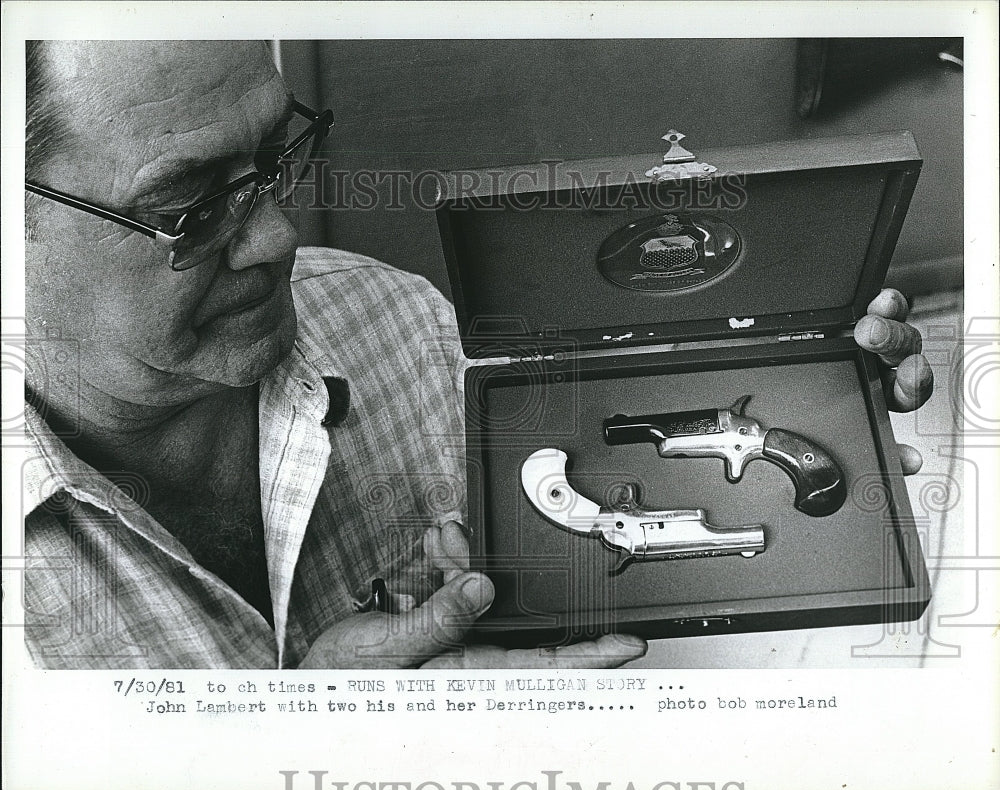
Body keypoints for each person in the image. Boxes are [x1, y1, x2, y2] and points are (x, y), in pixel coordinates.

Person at [21, 40, 934, 669]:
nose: (277, 236)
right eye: (186, 207)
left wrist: (798, 370)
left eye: (272, 158)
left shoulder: (403, 324)